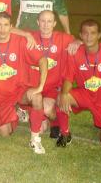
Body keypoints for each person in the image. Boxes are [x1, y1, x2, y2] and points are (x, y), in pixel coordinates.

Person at [0, 12, 48, 154]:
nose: (2, 29)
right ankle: (17, 113)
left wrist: (41, 86)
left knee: (37, 97)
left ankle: (35, 139)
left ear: (11, 27)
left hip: (20, 90)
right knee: (4, 134)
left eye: (6, 25)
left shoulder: (21, 41)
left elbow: (43, 60)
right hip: (1, 97)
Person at [56, 19, 101, 148]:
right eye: (85, 33)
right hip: (85, 95)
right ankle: (65, 133)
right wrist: (64, 93)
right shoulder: (75, 53)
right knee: (61, 96)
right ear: (81, 35)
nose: (89, 37)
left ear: (99, 35)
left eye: (93, 33)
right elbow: (68, 78)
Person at [29, 10, 74, 138]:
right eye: (42, 21)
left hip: (52, 87)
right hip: (36, 87)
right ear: (38, 22)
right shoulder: (31, 36)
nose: (46, 25)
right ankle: (44, 118)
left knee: (48, 109)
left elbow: (82, 42)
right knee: (40, 129)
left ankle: (54, 120)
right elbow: (11, 31)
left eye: (49, 21)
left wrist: (77, 42)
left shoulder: (63, 38)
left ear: (54, 23)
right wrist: (25, 35)